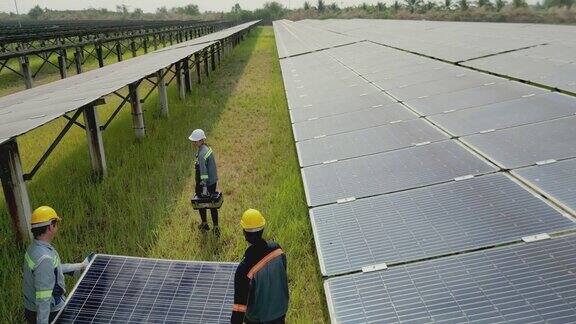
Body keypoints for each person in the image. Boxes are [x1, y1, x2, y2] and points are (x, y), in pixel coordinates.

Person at [23, 206, 89, 324]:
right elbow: (43, 298)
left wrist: (79, 266)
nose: (57, 227)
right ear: (50, 227)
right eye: (56, 224)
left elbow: (52, 270)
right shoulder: (45, 258)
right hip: (49, 312)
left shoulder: (34, 248)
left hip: (32, 307)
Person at [231, 209, 289, 324]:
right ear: (262, 229)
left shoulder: (244, 269)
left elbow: (239, 308)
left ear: (245, 234)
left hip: (258, 318)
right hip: (280, 309)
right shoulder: (277, 250)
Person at [189, 128, 220, 236]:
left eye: (195, 141)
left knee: (201, 202)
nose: (193, 142)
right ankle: (216, 226)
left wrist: (204, 186)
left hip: (205, 183)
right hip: (212, 181)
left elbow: (203, 172)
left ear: (200, 140)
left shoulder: (202, 154)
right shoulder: (206, 148)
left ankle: (205, 223)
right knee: (213, 203)